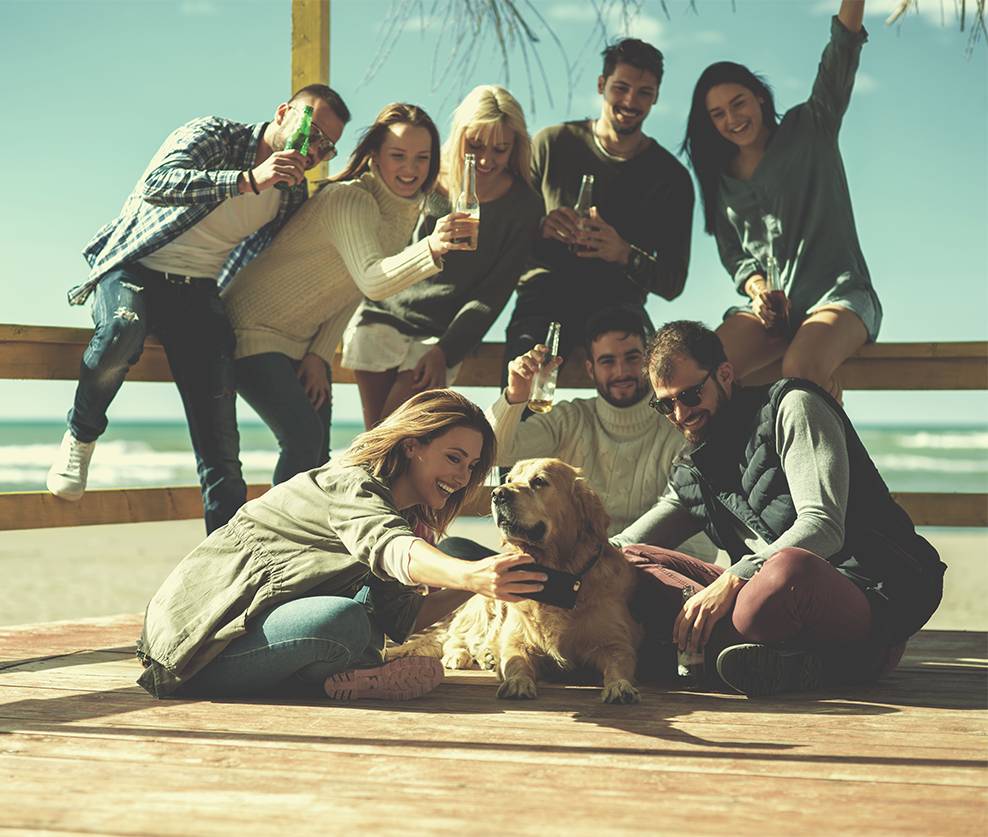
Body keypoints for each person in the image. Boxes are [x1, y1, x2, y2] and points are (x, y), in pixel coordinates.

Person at [46, 85, 350, 532]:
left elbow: (288, 268)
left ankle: (222, 566)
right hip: (137, 267)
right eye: (312, 130)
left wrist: (317, 351)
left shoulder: (292, 193)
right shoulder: (216, 135)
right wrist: (249, 179)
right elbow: (158, 183)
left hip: (199, 292)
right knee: (121, 331)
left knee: (222, 455)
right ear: (283, 113)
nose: (314, 149)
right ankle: (81, 434)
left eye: (327, 146)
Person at [135, 389, 547, 701]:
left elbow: (403, 617)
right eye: (454, 458)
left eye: (472, 466)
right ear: (412, 446)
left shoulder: (401, 514)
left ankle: (353, 672)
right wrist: (470, 574)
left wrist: (478, 585)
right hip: (196, 649)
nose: (462, 477)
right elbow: (390, 545)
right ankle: (351, 673)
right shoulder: (350, 486)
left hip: (252, 630)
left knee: (374, 617)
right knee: (344, 622)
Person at [612, 320, 946, 697]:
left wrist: (734, 578)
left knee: (785, 572)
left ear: (724, 375)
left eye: (689, 395)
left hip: (862, 594)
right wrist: (565, 562)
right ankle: (763, 659)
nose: (680, 414)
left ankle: (688, 650)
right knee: (627, 562)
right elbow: (623, 545)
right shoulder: (693, 470)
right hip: (759, 604)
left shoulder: (792, 407)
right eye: (665, 404)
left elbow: (823, 527)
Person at [221, 103, 476, 485]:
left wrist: (319, 354)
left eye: (422, 158)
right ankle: (275, 524)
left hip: (299, 342)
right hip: (250, 327)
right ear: (374, 156)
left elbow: (352, 287)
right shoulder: (352, 200)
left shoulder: (401, 211)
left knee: (316, 455)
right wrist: (432, 247)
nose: (410, 169)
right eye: (398, 155)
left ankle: (303, 525)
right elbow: (373, 281)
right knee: (303, 441)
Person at [681, 0, 878, 399]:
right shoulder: (721, 178)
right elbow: (736, 257)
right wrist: (758, 292)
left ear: (759, 97)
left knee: (799, 369)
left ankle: (825, 424)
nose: (732, 119)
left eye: (738, 103)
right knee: (701, 373)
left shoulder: (812, 125)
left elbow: (842, 48)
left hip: (839, 297)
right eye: (718, 114)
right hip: (771, 317)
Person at [439, 306, 715, 562]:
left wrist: (620, 564)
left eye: (632, 358)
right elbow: (493, 451)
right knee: (454, 550)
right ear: (590, 369)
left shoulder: (678, 422)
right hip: (566, 569)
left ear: (648, 362)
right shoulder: (570, 419)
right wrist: (515, 396)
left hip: (646, 571)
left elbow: (697, 541)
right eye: (607, 361)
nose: (621, 371)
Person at [343, 85, 543, 429]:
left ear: (516, 147)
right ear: (460, 134)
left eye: (500, 149)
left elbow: (493, 293)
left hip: (440, 335)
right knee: (377, 438)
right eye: (476, 145)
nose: (486, 160)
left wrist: (445, 351)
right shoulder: (427, 177)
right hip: (381, 317)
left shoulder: (523, 205)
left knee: (392, 432)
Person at [503, 37, 694, 372]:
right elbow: (504, 238)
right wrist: (540, 228)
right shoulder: (551, 143)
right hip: (544, 295)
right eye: (621, 88)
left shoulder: (671, 178)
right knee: (523, 376)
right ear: (601, 85)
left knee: (640, 381)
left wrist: (623, 253)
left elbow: (673, 282)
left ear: (656, 97)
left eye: (644, 92)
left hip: (618, 302)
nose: (630, 101)